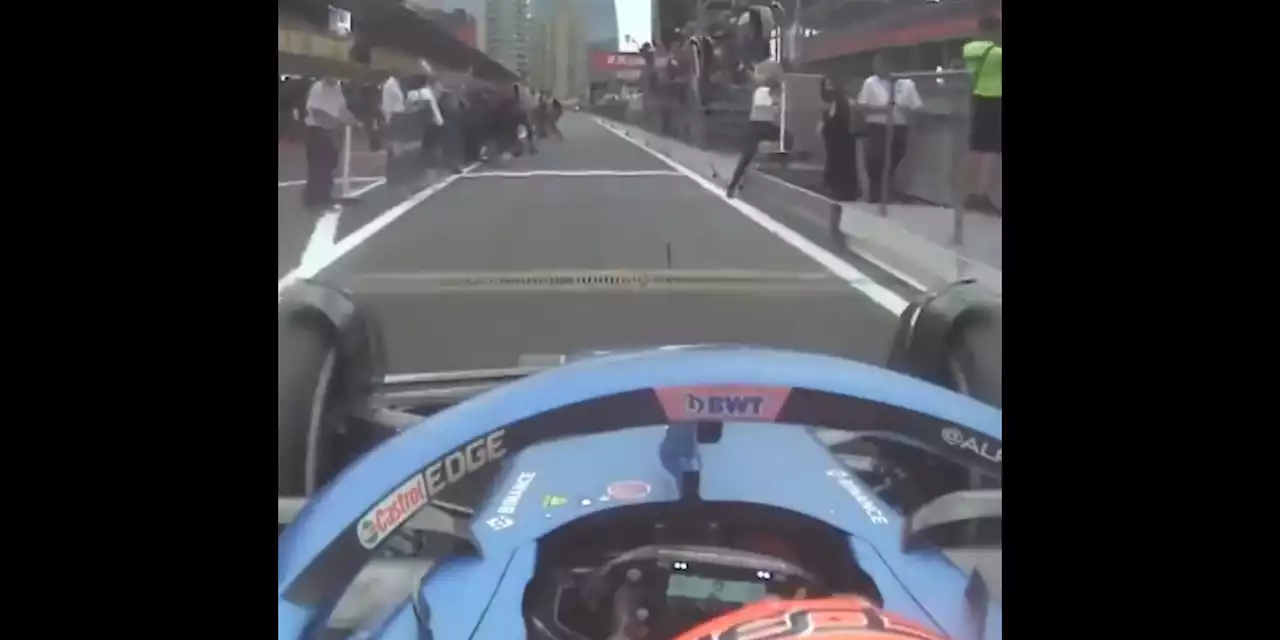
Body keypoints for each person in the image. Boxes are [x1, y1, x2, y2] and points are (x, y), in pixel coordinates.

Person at [857, 52, 924, 204]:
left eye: (881, 64)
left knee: (895, 157)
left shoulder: (907, 84)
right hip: (877, 126)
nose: (877, 68)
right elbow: (862, 106)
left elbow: (918, 107)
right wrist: (882, 110)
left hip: (898, 126)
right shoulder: (870, 83)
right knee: (875, 159)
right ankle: (875, 194)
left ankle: (886, 189)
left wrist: (909, 112)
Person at [725, 60, 783, 199]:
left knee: (745, 157)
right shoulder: (768, 91)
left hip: (755, 126)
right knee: (788, 139)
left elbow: (754, 79)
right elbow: (775, 107)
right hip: (764, 126)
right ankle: (733, 185)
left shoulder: (760, 90)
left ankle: (732, 186)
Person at [962, 15, 1002, 214]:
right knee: (990, 150)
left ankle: (969, 195)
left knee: (975, 148)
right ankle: (982, 196)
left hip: (976, 98)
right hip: (995, 100)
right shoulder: (997, 53)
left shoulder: (968, 49)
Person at [302, 76, 356, 213]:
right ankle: (314, 199)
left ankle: (324, 196)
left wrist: (353, 120)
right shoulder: (318, 88)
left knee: (330, 164)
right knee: (318, 165)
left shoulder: (337, 88)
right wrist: (334, 123)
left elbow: (341, 109)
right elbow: (316, 112)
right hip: (317, 130)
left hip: (331, 131)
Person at [818, 79, 862, 202]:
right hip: (842, 138)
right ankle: (844, 190)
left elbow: (835, 120)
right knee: (842, 164)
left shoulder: (839, 101)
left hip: (840, 137)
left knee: (839, 163)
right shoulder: (839, 101)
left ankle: (840, 190)